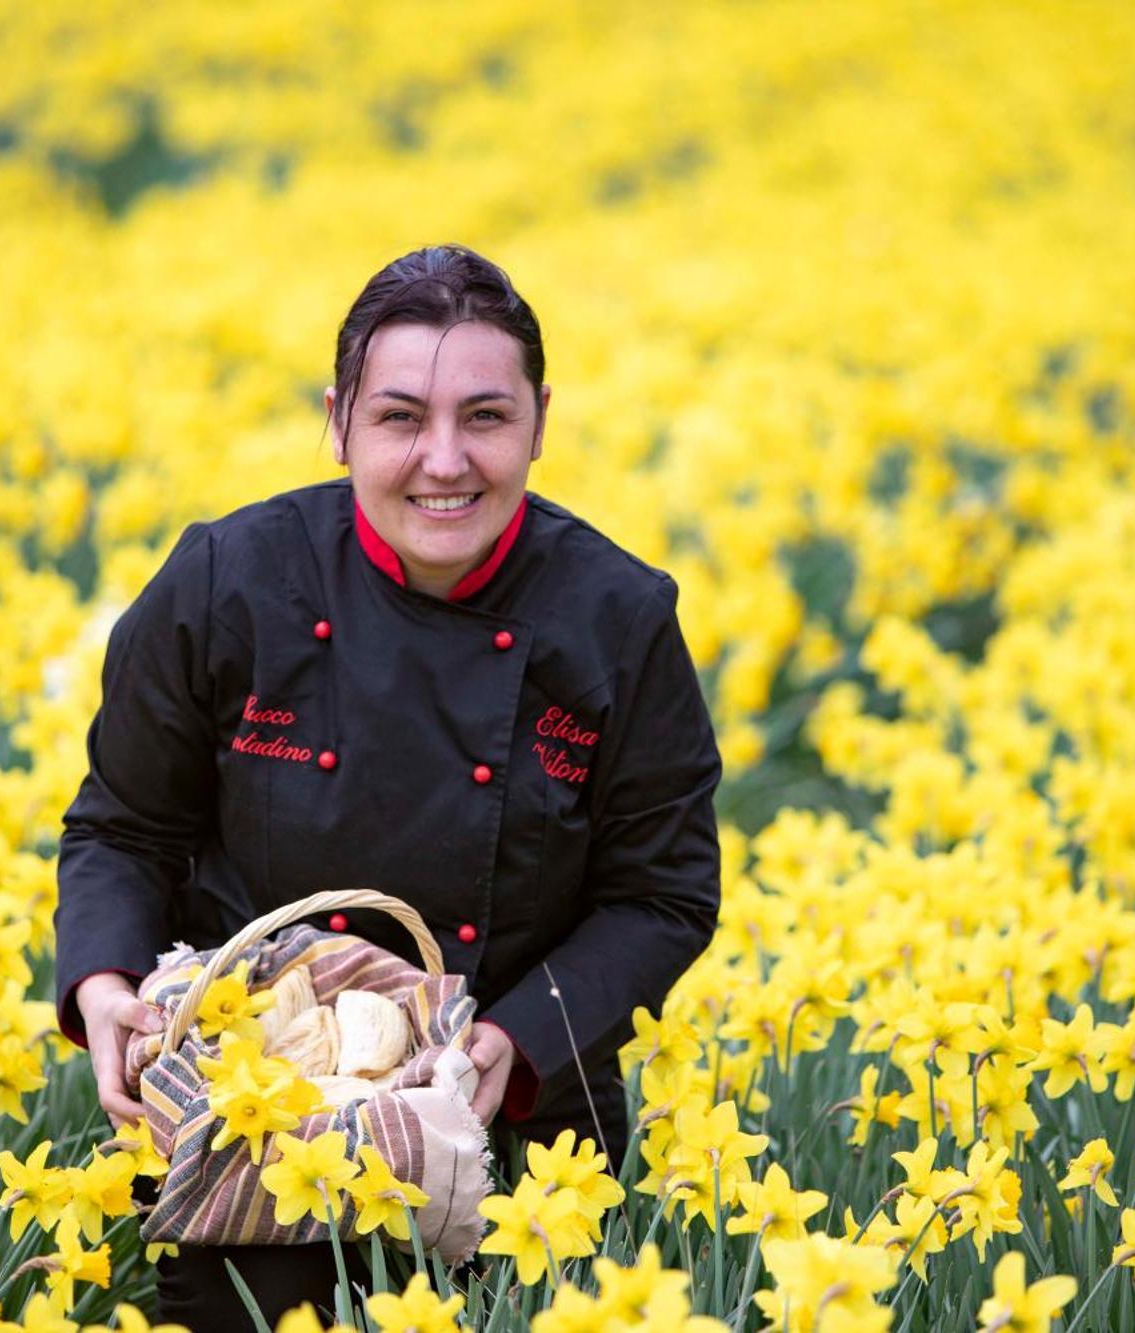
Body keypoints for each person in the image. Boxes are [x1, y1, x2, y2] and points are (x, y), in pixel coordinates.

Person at [53, 244, 723, 1328]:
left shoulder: (618, 618)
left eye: (486, 418)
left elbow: (662, 896)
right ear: (338, 421)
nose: (444, 461)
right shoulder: (227, 583)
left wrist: (513, 1043)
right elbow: (122, 830)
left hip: (514, 1119)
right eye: (401, 417)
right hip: (256, 1118)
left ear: (539, 423)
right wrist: (104, 987)